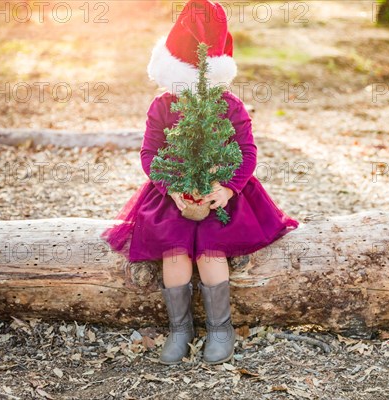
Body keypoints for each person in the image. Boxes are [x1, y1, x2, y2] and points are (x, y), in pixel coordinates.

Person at [100, 0, 299, 365]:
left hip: (222, 195)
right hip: (173, 192)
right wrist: (171, 190)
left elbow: (247, 152)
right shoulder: (162, 105)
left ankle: (220, 329)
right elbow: (149, 154)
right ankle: (180, 329)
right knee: (174, 253)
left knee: (211, 251)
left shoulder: (230, 105)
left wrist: (227, 189)